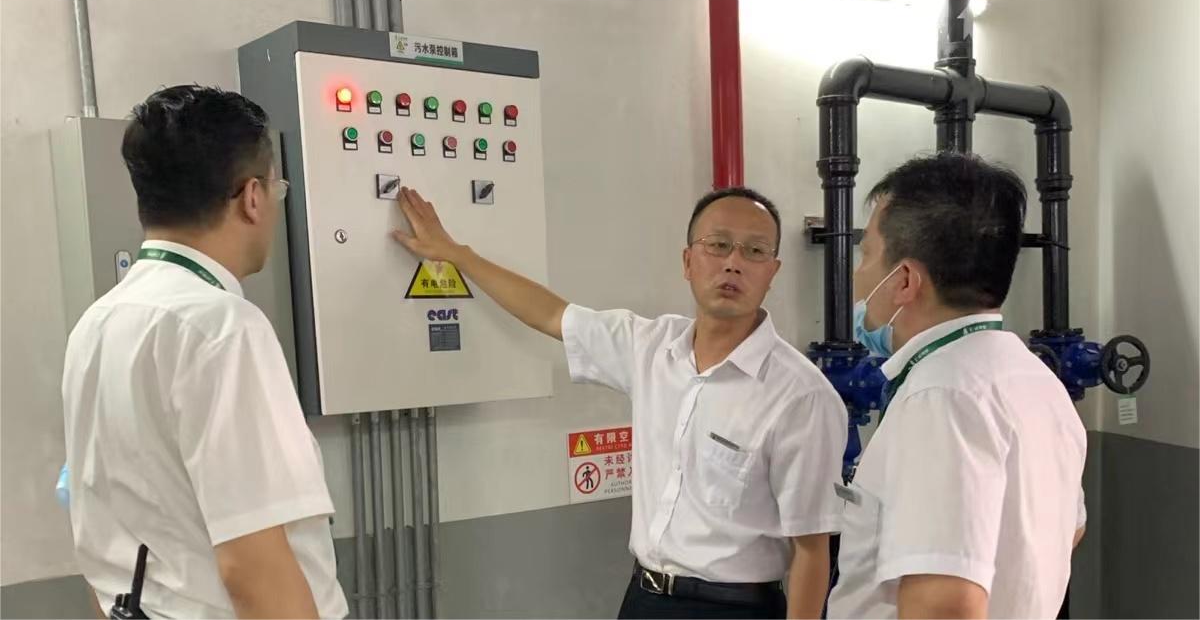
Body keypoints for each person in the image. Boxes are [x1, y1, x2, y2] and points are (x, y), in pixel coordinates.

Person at [392, 185, 847, 619]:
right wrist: (457, 255)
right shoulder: (650, 347)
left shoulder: (801, 396)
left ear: (773, 272)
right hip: (644, 599)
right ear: (688, 261)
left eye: (755, 251)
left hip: (736, 608)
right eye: (718, 245)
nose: (733, 264)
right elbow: (550, 314)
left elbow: (811, 547)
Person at [61, 85, 347, 619]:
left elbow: (100, 542)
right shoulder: (222, 328)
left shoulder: (96, 325)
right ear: (253, 197)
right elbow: (253, 568)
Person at [827, 153, 1087, 619]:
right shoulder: (1034, 379)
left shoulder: (941, 395)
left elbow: (945, 606)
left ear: (904, 280)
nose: (857, 276)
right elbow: (1070, 530)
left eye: (866, 254)